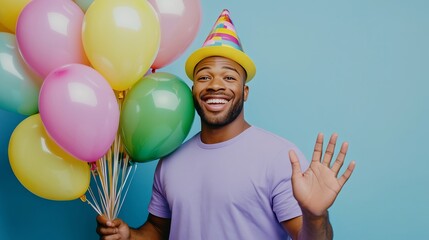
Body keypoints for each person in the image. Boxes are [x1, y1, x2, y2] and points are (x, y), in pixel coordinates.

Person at [96, 9, 356, 240]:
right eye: (204, 76)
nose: (215, 85)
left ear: (245, 92)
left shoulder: (280, 158)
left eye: (229, 77)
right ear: (193, 89)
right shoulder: (170, 162)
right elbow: (158, 230)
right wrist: (130, 236)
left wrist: (316, 216)